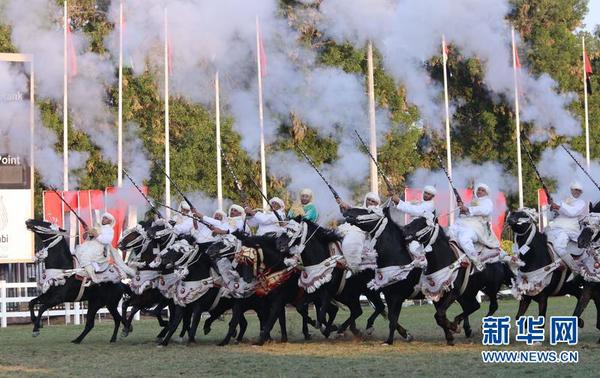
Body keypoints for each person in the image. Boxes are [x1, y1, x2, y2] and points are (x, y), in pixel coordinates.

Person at [448, 183, 500, 271]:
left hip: (477, 227)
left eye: (483, 190)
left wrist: (468, 209)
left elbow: (485, 210)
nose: (480, 191)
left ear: (486, 193)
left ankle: (476, 261)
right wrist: (462, 210)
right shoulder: (473, 201)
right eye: (479, 189)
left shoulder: (487, 201)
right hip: (464, 224)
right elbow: (467, 213)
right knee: (448, 233)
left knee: (464, 239)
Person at [546, 181, 588, 270]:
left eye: (580, 191)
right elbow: (551, 215)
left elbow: (572, 212)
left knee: (558, 247)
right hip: (554, 227)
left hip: (568, 229)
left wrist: (557, 206)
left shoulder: (581, 203)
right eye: (576, 190)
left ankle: (574, 269)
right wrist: (550, 205)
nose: (577, 192)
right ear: (571, 190)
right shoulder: (562, 200)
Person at [336, 192, 382, 273]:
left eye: (373, 201)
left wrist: (349, 208)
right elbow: (347, 213)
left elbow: (354, 211)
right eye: (369, 200)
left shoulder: (377, 213)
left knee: (348, 243)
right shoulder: (358, 209)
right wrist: (342, 205)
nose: (370, 202)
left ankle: (353, 269)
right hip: (345, 229)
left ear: (377, 204)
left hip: (360, 232)